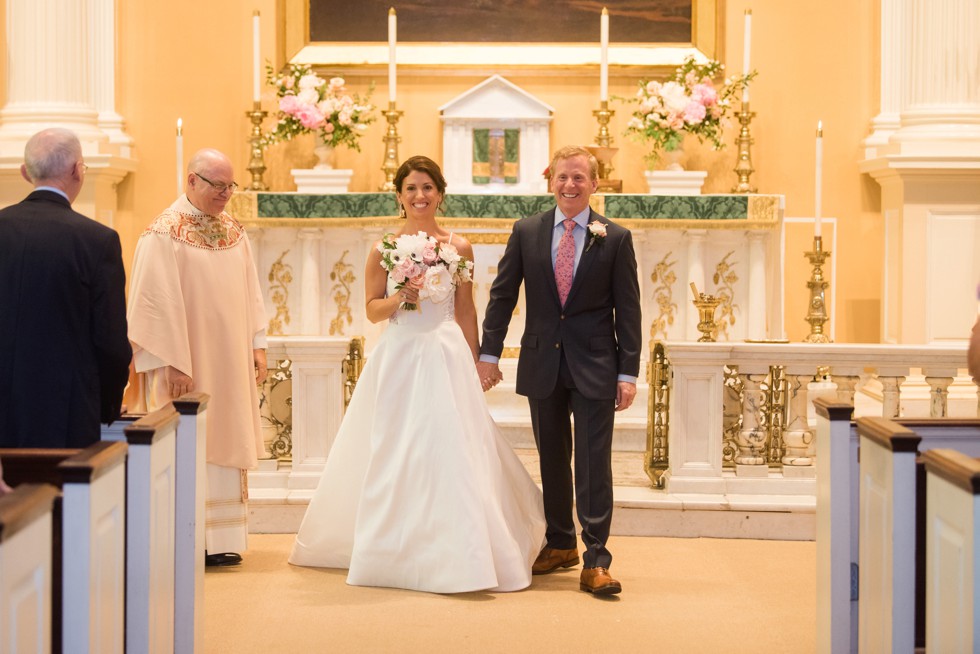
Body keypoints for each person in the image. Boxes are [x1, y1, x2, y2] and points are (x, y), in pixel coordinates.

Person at [289, 156, 546, 593]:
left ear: (441, 194)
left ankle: (460, 551)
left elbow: (465, 308)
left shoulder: (459, 247)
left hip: (444, 351)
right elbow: (372, 310)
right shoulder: (383, 247)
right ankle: (391, 549)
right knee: (395, 446)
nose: (419, 196)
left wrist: (478, 360)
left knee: (452, 445)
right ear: (399, 195)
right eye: (411, 188)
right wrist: (400, 298)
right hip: (400, 354)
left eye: (427, 187)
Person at [477, 145, 642, 596]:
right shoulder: (527, 231)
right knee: (552, 459)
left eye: (579, 178)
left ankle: (596, 558)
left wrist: (628, 373)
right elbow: (503, 295)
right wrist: (489, 353)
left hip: (595, 364)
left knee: (593, 464)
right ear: (550, 179)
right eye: (562, 177)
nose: (570, 185)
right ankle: (560, 542)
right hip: (542, 361)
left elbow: (628, 311)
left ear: (594, 183)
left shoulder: (616, 237)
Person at [127, 149, 268, 568]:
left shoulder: (233, 230)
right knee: (191, 439)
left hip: (228, 360)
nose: (226, 194)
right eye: (218, 186)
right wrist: (172, 361)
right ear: (191, 181)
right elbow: (153, 304)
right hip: (184, 364)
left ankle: (219, 537)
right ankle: (182, 538)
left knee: (225, 430)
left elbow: (251, 290)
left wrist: (257, 344)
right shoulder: (163, 232)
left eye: (230, 186)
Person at [0, 128, 131, 449]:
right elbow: (111, 342)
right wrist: (106, 406)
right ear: (77, 170)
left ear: (24, 172)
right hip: (65, 413)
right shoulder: (97, 240)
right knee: (61, 498)